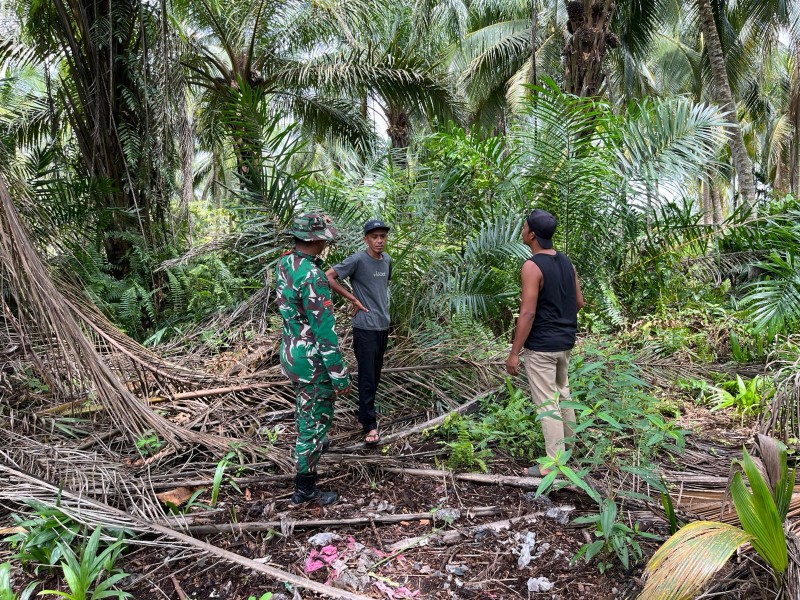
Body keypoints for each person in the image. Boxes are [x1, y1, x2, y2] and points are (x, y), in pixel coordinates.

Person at [276, 213, 351, 505]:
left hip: (292, 352)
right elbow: (324, 332)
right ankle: (305, 487)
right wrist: (339, 374)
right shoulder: (312, 275)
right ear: (316, 239)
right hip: (312, 361)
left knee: (305, 410)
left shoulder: (286, 263)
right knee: (314, 420)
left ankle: (313, 446)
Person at [505, 208, 584, 477]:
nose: (523, 230)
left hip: (542, 348)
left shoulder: (532, 265)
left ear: (533, 235)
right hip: (564, 343)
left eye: (525, 226)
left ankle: (554, 464)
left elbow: (527, 312)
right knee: (563, 395)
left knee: (547, 403)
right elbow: (579, 303)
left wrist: (514, 353)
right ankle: (570, 455)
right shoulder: (566, 262)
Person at [325, 219, 392, 446]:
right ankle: (369, 425)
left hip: (383, 325)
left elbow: (380, 290)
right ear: (366, 239)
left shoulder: (387, 261)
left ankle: (363, 415)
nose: (379, 240)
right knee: (366, 376)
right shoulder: (358, 259)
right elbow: (328, 276)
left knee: (374, 375)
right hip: (365, 326)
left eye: (382, 236)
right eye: (374, 237)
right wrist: (352, 298)